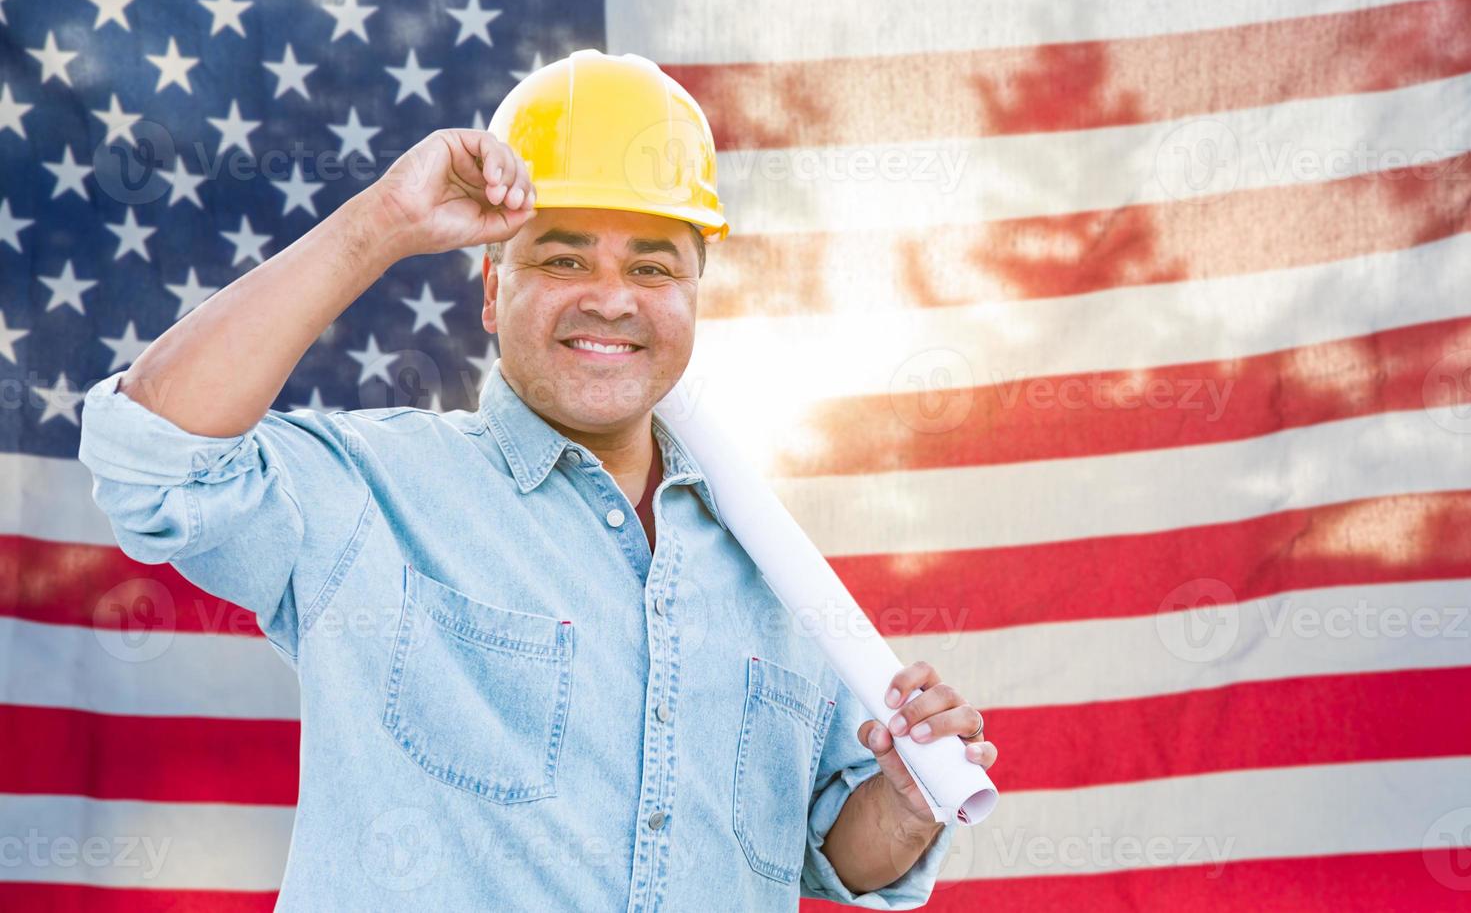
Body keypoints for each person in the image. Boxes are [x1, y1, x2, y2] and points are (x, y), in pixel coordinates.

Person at [77, 50, 996, 910]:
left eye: (652, 266)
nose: (611, 297)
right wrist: (381, 224)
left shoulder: (770, 561)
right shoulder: (373, 492)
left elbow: (829, 849)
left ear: (694, 299)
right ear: (490, 287)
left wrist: (908, 800)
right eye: (563, 258)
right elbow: (157, 456)